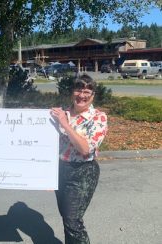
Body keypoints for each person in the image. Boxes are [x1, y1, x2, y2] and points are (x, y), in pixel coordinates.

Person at [50, 74, 108, 244]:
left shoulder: (98, 117)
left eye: (87, 91)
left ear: (93, 95)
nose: (81, 95)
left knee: (73, 221)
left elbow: (84, 149)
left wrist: (65, 125)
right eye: (78, 90)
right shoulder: (62, 113)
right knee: (66, 218)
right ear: (72, 92)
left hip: (82, 172)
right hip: (60, 169)